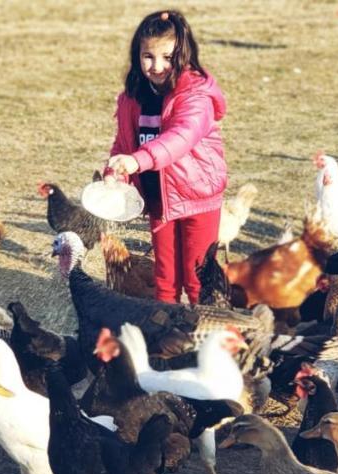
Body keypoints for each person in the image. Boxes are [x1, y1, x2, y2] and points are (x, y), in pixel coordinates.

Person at [108, 10, 228, 304]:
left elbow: (180, 138)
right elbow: (124, 143)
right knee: (165, 277)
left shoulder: (195, 94)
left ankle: (209, 336)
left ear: (183, 55)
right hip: (159, 199)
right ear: (137, 55)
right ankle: (167, 336)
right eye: (148, 56)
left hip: (197, 196)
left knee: (198, 277)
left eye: (167, 57)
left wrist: (139, 160)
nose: (157, 65)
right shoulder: (133, 96)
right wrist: (116, 171)